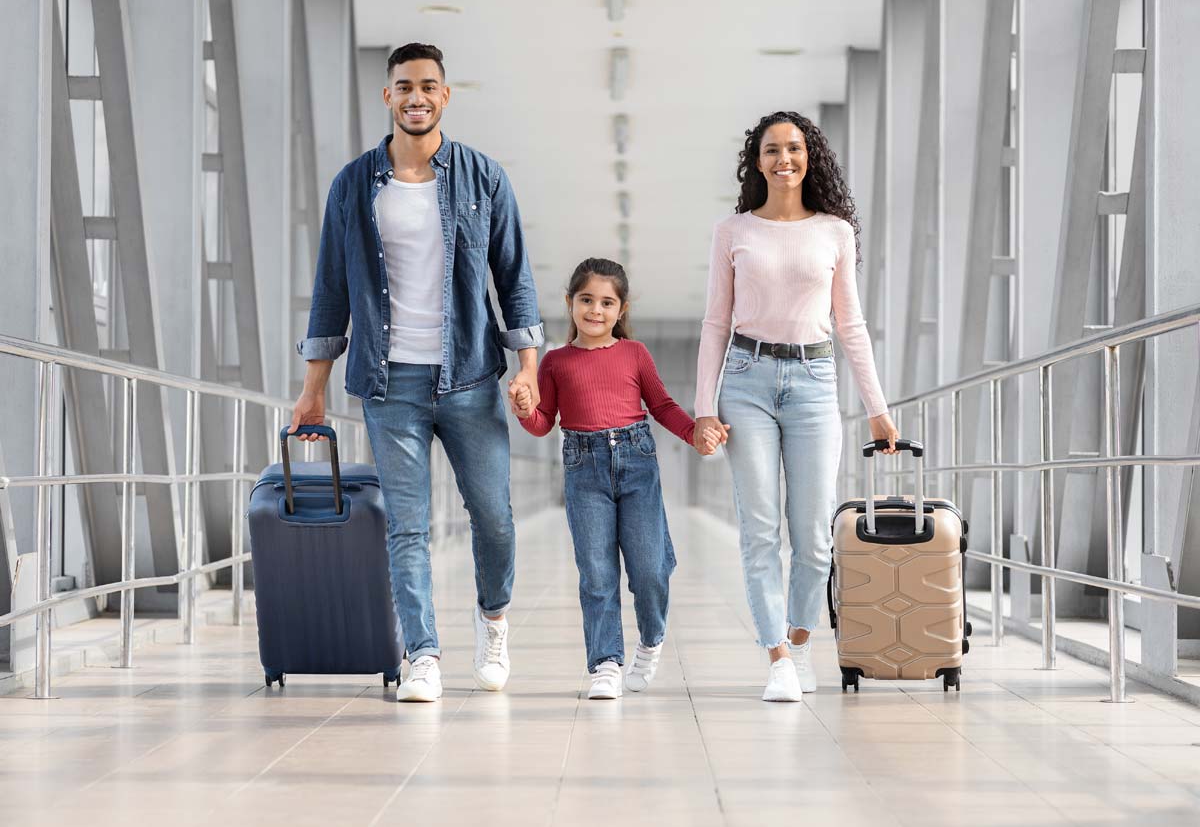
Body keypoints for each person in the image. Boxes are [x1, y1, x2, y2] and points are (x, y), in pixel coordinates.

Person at [290, 43, 543, 703]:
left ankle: (493, 620)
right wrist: (313, 387)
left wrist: (529, 368)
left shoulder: (483, 177)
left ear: (445, 95)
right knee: (407, 527)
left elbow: (513, 278)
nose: (416, 96)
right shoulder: (354, 183)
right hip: (388, 381)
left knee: (494, 520)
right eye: (404, 86)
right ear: (388, 97)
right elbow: (331, 288)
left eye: (428, 85)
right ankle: (422, 654)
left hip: (469, 376)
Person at [693, 111, 899, 702]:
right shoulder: (733, 232)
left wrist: (877, 408)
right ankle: (777, 658)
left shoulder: (835, 231)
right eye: (772, 150)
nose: (785, 158)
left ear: (810, 157)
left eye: (795, 148)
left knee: (811, 537)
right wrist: (704, 407)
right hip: (746, 379)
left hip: (813, 381)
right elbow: (714, 323)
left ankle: (802, 640)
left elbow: (850, 324)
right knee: (760, 530)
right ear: (756, 162)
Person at [512, 258, 722, 699]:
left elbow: (662, 405)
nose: (596, 310)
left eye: (607, 302)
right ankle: (605, 662)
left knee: (649, 569)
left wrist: (694, 432)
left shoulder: (635, 354)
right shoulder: (555, 361)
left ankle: (651, 637)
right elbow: (544, 421)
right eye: (586, 300)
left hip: (636, 462)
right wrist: (526, 409)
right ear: (570, 303)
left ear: (622, 309)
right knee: (596, 572)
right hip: (582, 467)